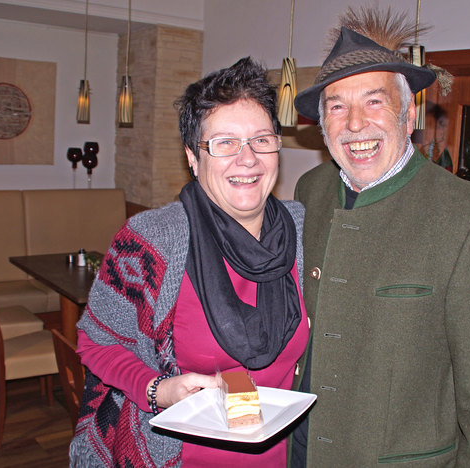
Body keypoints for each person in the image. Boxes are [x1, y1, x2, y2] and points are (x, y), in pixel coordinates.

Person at [291, 8, 470, 467]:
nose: (355, 124)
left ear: (409, 114)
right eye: (337, 106)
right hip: (298, 449)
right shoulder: (312, 191)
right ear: (322, 125)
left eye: (374, 101)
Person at [69, 57, 309, 467]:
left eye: (261, 140)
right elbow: (96, 341)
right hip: (174, 458)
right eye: (224, 143)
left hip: (283, 458)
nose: (247, 159)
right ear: (193, 158)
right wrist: (155, 389)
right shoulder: (151, 239)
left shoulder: (306, 231)